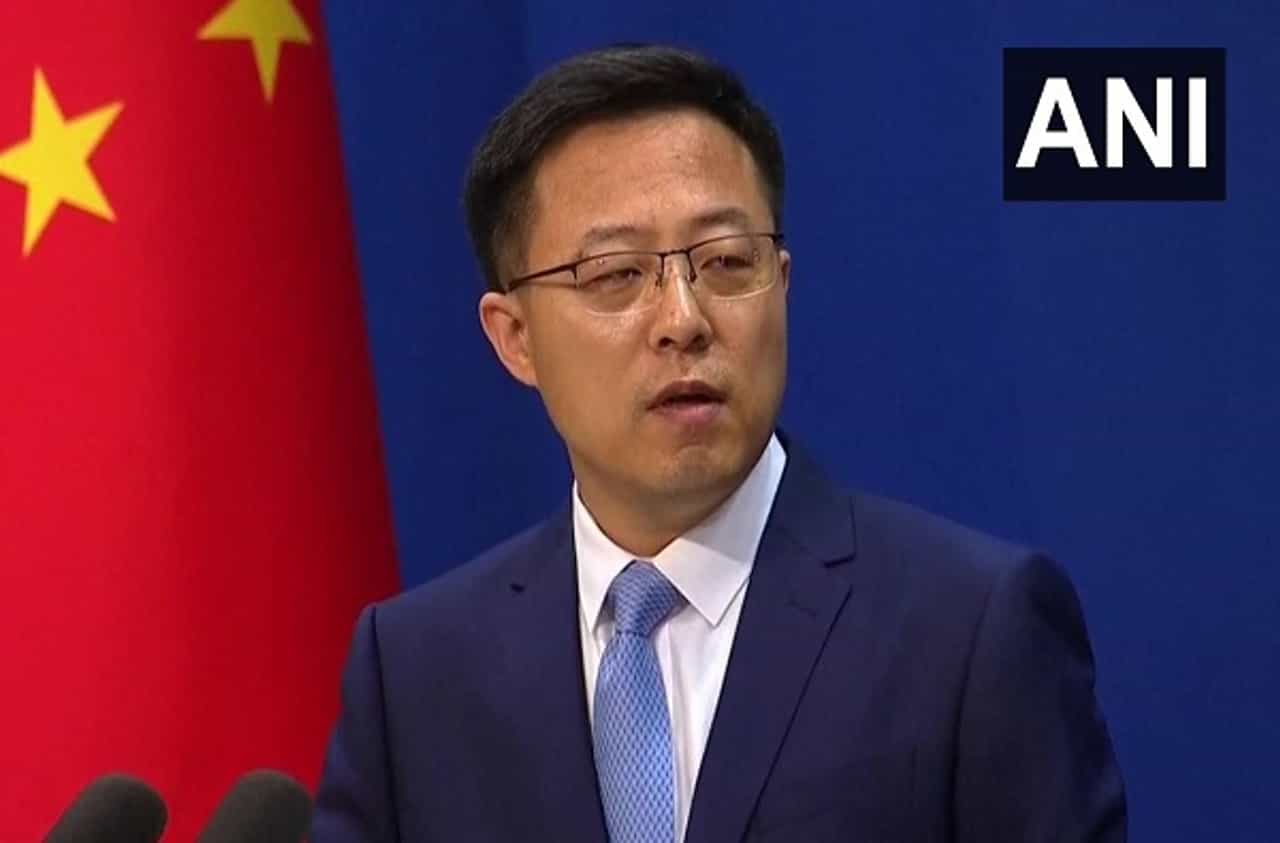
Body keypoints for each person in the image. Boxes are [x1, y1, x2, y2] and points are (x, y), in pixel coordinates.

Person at [312, 44, 1127, 842]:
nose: (684, 320)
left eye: (728, 261)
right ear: (514, 337)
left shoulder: (970, 629)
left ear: (784, 285)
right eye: (616, 274)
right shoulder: (414, 674)